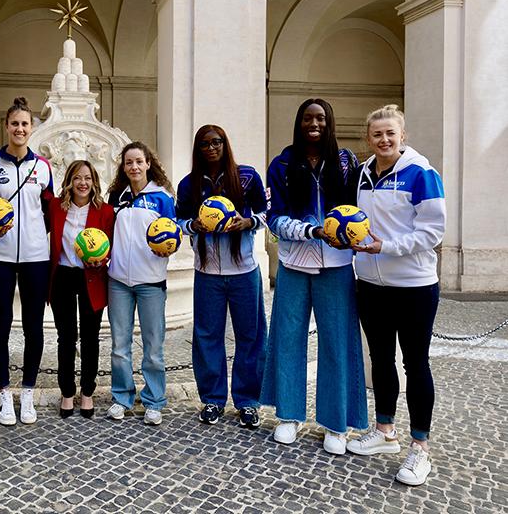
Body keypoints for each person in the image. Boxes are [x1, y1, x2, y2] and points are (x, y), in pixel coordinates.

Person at [260, 98, 368, 454]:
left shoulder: (346, 161)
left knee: (337, 342)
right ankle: (289, 416)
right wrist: (310, 231)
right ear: (299, 122)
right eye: (308, 118)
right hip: (294, 263)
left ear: (329, 122)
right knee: (288, 338)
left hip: (337, 266)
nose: (314, 123)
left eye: (320, 118)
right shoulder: (282, 163)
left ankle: (336, 423)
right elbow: (274, 219)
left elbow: (360, 207)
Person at [346, 105, 445, 486]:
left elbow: (432, 231)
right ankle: (384, 431)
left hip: (414, 286)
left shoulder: (422, 173)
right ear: (368, 139)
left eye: (390, 133)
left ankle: (420, 448)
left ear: (402, 135)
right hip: (371, 284)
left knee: (416, 364)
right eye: (377, 135)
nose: (384, 140)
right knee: (381, 359)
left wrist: (386, 247)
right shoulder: (364, 174)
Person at [175, 125, 268, 428]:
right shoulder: (189, 184)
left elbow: (267, 213)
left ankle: (247, 401)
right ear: (198, 148)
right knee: (207, 336)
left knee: (251, 337)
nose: (212, 148)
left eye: (217, 142)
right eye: (205, 144)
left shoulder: (247, 176)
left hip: (243, 271)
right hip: (208, 273)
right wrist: (193, 227)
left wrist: (248, 222)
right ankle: (213, 399)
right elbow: (179, 221)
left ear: (225, 144)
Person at [0, 97, 53, 426]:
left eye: (25, 124)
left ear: (31, 128)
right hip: (0, 258)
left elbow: (49, 212)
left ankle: (28, 392)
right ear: (6, 126)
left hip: (36, 257)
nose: (20, 129)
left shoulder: (44, 168)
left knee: (33, 327)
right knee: (1, 327)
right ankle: (4, 394)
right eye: (15, 123)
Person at [105, 141, 176, 425]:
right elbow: (106, 235)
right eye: (128, 162)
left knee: (153, 347)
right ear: (123, 167)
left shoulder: (162, 198)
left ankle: (154, 400)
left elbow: (173, 235)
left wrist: (168, 248)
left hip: (151, 282)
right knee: (119, 346)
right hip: (119, 281)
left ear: (148, 164)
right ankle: (122, 397)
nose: (134, 167)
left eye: (139, 161)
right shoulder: (116, 197)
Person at [47, 160, 115, 419]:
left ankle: (87, 392)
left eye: (87, 178)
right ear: (69, 181)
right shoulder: (55, 207)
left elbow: (111, 246)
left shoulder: (105, 211)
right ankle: (67, 392)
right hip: (63, 275)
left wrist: (101, 260)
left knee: (90, 337)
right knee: (65, 338)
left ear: (94, 182)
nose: (82, 183)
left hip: (92, 276)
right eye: (77, 178)